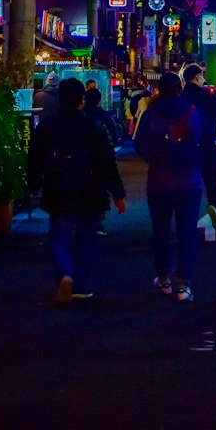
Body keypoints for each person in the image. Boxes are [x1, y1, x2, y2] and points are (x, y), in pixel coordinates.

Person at [26, 76, 126, 304]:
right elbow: (108, 162)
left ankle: (64, 275)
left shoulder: (48, 126)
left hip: (58, 187)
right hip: (90, 189)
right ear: (82, 100)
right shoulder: (94, 127)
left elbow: (35, 157)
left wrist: (33, 183)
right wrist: (118, 194)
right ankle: (80, 285)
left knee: (59, 237)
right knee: (85, 238)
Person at [134, 68, 216, 301]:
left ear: (159, 89)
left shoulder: (152, 112)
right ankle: (184, 285)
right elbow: (208, 148)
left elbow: (140, 145)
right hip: (189, 181)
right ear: (180, 89)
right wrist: (214, 177)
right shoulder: (194, 113)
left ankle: (163, 279)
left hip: (159, 181)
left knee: (161, 231)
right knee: (186, 232)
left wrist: (154, 156)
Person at [183, 63, 216, 230]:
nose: (203, 79)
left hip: (185, 144)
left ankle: (188, 212)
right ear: (197, 77)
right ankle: (213, 205)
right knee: (214, 176)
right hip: (207, 141)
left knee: (188, 178)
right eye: (202, 76)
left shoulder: (181, 97)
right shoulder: (207, 96)